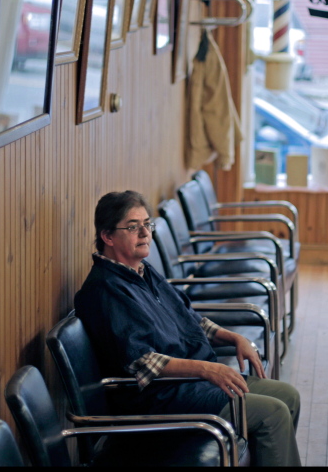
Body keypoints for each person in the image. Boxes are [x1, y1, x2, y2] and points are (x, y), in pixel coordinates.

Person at [75, 191, 302, 467]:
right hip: (160, 399)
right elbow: (142, 362)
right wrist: (207, 369)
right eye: (133, 227)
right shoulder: (105, 289)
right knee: (273, 414)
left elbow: (189, 318)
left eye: (147, 224)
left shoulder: (142, 271)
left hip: (191, 385)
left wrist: (232, 337)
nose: (145, 233)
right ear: (107, 237)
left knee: (288, 396)